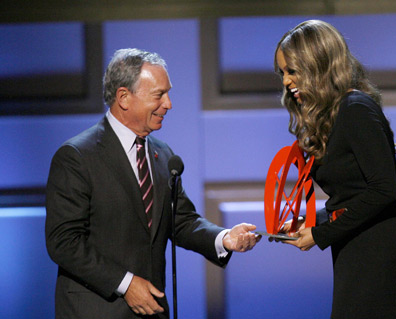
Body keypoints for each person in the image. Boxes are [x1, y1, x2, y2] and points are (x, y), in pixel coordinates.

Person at [45, 48, 260, 319]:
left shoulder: (163, 155)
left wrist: (223, 238)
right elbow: (64, 242)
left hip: (152, 311)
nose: (168, 104)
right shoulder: (77, 157)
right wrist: (126, 284)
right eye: (159, 95)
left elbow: (181, 221)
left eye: (167, 93)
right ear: (124, 97)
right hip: (96, 310)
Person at [274, 20, 396, 318]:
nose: (287, 82)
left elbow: (383, 190)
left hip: (381, 256)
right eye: (283, 73)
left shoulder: (355, 108)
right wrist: (311, 221)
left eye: (293, 70)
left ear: (319, 65)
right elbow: (351, 198)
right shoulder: (333, 115)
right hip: (357, 251)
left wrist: (321, 234)